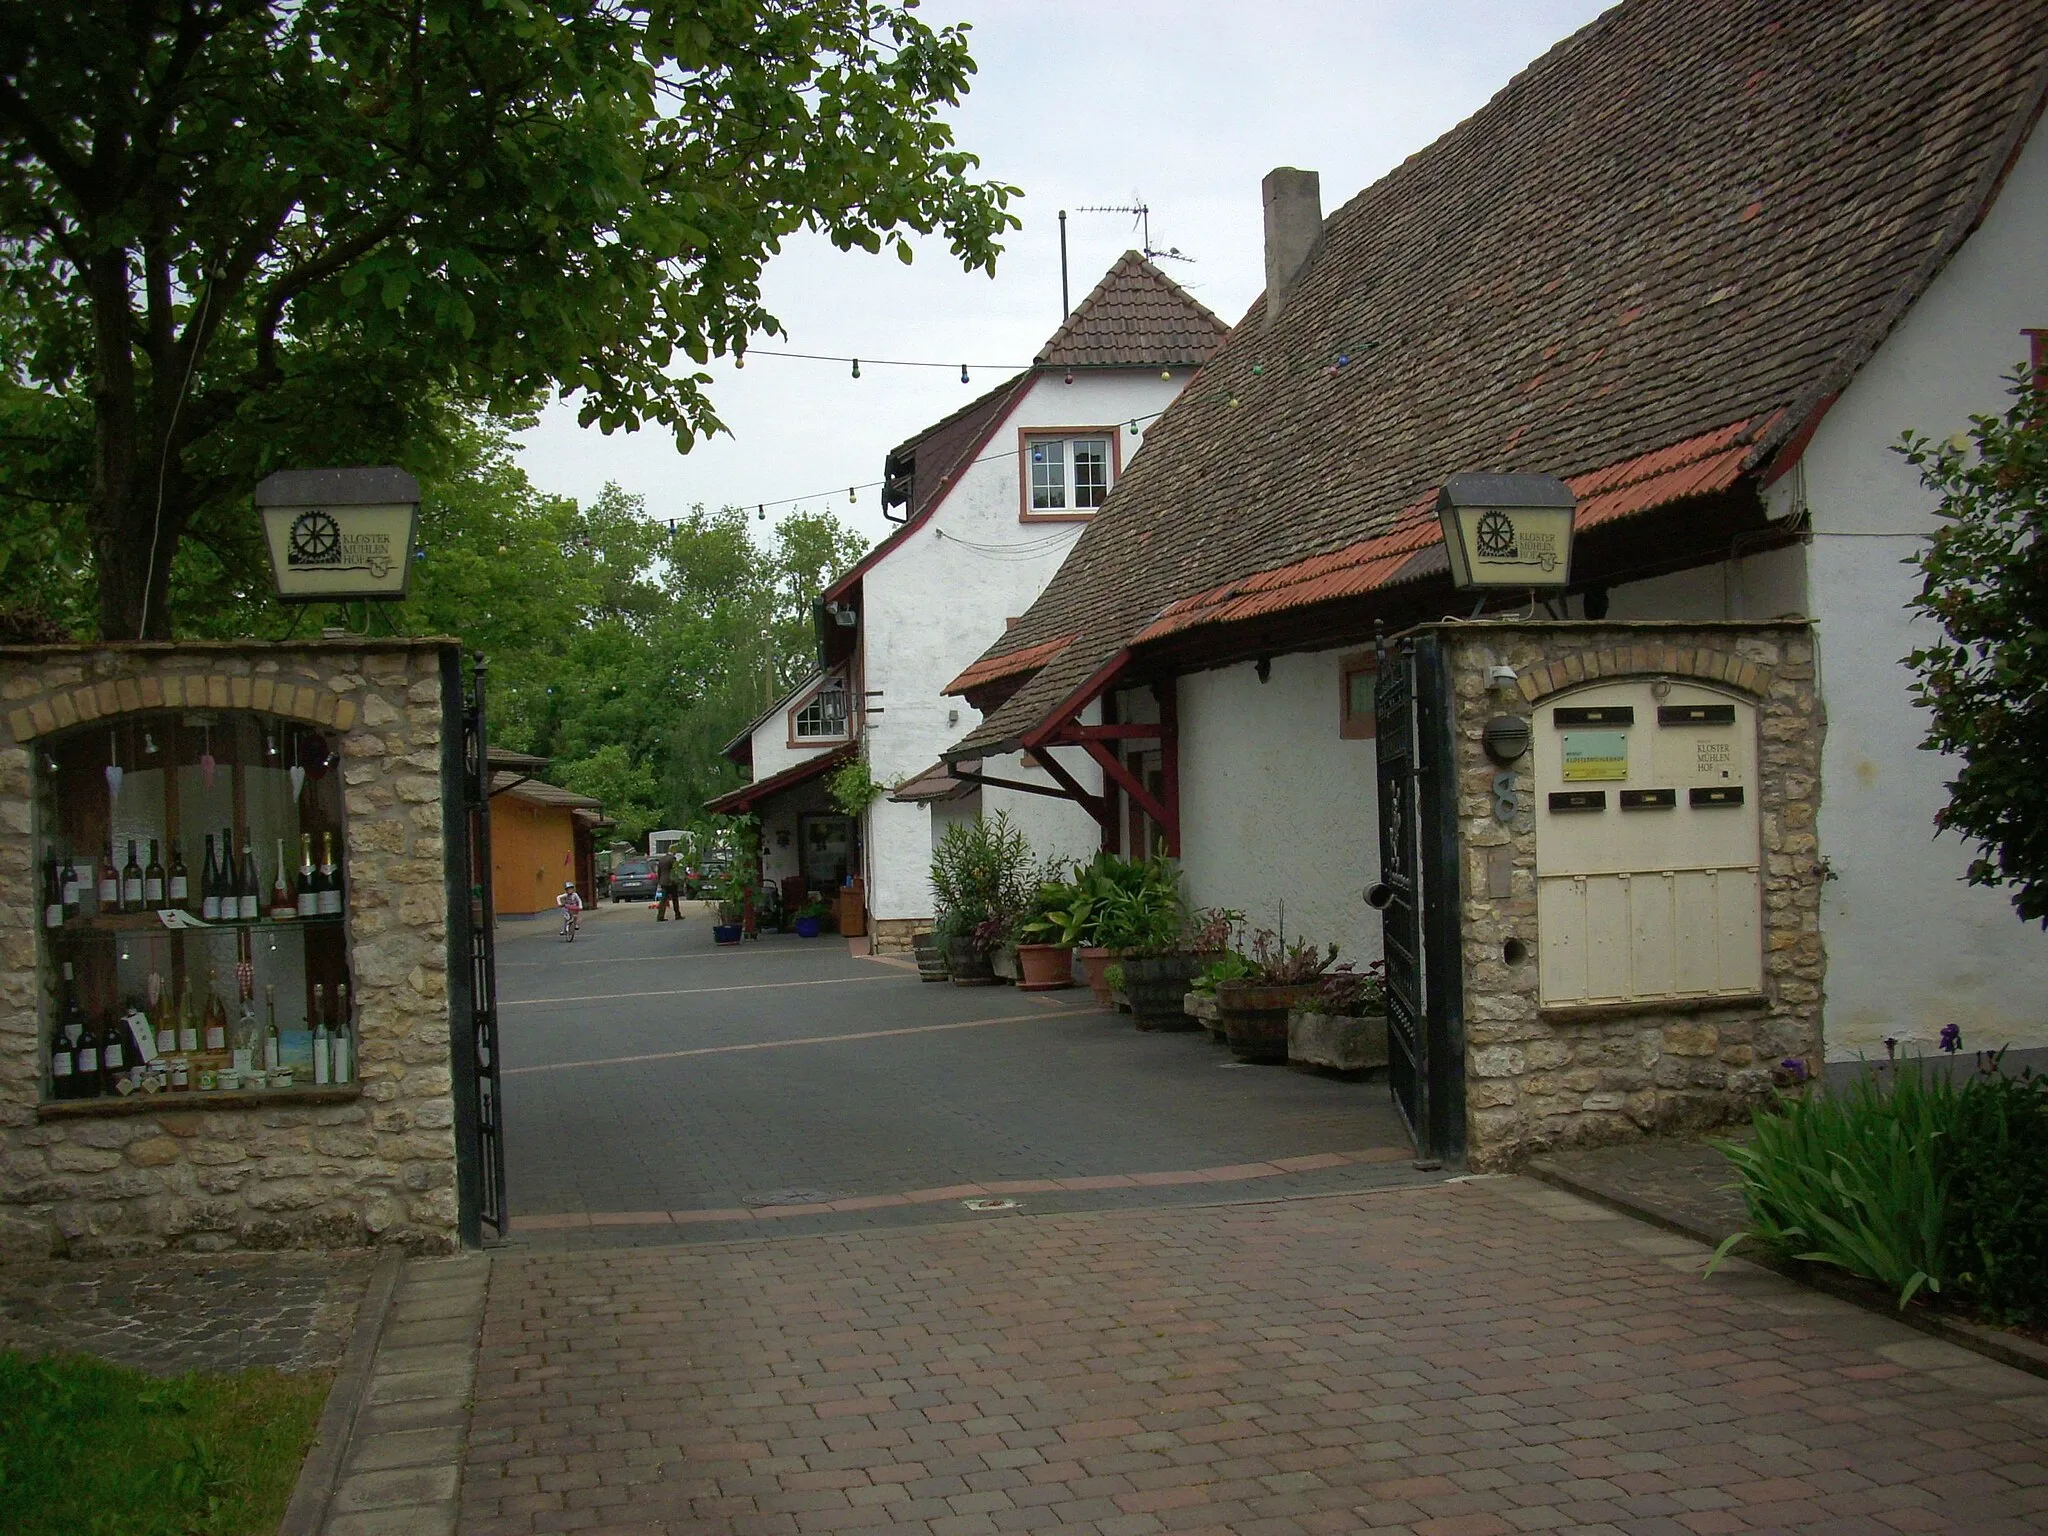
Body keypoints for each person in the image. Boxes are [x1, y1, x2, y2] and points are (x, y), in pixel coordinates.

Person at [654, 851, 685, 922]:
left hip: (663, 882)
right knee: (675, 899)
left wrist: (659, 881)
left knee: (663, 899)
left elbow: (659, 871)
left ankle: (660, 916)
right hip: (671, 882)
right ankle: (677, 915)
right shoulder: (672, 859)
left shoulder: (661, 859)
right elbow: (675, 870)